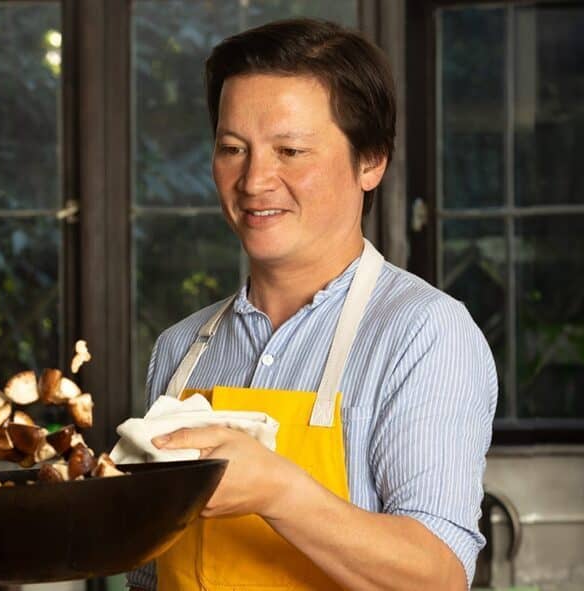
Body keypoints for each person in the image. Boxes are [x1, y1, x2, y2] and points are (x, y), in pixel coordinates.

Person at [127, 18, 497, 591]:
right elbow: (150, 577)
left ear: (371, 161)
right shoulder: (181, 351)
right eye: (232, 149)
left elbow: (437, 576)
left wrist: (278, 491)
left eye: (291, 150)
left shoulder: (423, 333)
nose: (254, 180)